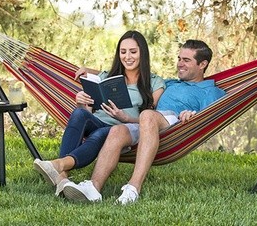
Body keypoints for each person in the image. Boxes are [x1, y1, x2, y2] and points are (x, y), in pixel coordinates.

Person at [62, 39, 226, 204]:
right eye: (179, 59)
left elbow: (209, 116)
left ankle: (133, 188)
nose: (179, 64)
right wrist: (90, 72)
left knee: (147, 114)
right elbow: (135, 76)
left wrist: (192, 114)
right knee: (117, 130)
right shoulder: (169, 83)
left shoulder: (210, 91)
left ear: (202, 64)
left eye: (186, 60)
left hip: (173, 125)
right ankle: (93, 188)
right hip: (146, 125)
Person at [32, 30, 165, 196]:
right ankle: (62, 177)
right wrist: (82, 101)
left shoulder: (155, 82)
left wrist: (124, 117)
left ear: (142, 53)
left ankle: (59, 167)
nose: (127, 57)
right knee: (79, 113)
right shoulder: (105, 77)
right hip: (97, 121)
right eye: (123, 52)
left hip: (121, 128)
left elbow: (149, 122)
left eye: (133, 51)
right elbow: (90, 109)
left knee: (100, 134)